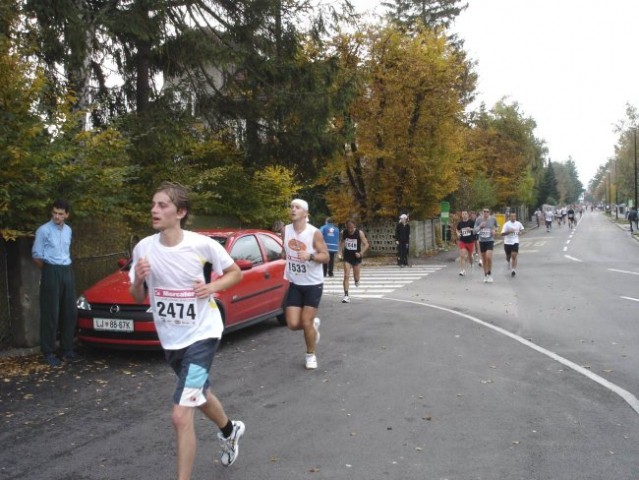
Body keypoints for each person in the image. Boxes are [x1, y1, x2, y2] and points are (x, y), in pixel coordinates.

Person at [128, 182, 245, 480]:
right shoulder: (144, 248)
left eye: (162, 205)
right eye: (153, 204)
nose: (155, 210)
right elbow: (138, 297)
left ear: (180, 212)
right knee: (199, 393)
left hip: (202, 337)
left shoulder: (202, 245)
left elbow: (235, 273)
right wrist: (138, 281)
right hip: (172, 341)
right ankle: (230, 430)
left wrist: (212, 286)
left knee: (181, 414)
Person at [281, 199, 328, 370]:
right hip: (295, 283)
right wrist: (282, 255)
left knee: (305, 321)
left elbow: (326, 256)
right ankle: (312, 326)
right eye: (291, 206)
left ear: (305, 213)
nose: (293, 209)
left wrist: (310, 256)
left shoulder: (314, 233)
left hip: (313, 284)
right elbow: (284, 250)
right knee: (293, 324)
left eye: (297, 207)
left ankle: (310, 355)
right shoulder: (285, 230)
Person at [32, 199, 80, 367]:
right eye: (54, 213)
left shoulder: (68, 230)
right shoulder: (43, 230)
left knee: (70, 311)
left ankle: (66, 349)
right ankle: (48, 351)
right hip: (51, 270)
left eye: (60, 214)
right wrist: (49, 271)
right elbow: (37, 256)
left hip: (67, 270)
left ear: (67, 214)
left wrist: (62, 269)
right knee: (51, 312)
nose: (57, 216)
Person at [339, 219, 370, 303]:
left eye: (351, 228)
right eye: (348, 227)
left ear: (354, 226)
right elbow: (341, 242)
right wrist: (340, 253)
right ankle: (346, 296)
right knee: (346, 275)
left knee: (356, 277)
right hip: (347, 257)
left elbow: (366, 244)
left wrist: (361, 253)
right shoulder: (343, 232)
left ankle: (357, 281)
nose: (350, 230)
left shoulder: (359, 233)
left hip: (356, 258)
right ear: (346, 226)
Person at [474, 208, 499, 283]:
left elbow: (497, 226)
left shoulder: (493, 219)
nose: (486, 213)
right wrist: (480, 227)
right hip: (482, 241)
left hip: (490, 240)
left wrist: (495, 230)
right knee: (484, 259)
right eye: (484, 211)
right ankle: (485, 275)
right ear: (482, 212)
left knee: (489, 257)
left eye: (487, 212)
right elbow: (474, 230)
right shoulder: (478, 220)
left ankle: (490, 273)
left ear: (489, 213)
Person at [500, 211, 524, 277]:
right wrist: (508, 232)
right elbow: (502, 234)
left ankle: (513, 270)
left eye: (514, 216)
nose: (513, 217)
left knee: (514, 255)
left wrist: (520, 232)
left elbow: (521, 230)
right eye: (512, 216)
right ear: (509, 217)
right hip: (507, 242)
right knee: (508, 257)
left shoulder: (518, 223)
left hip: (515, 241)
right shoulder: (506, 224)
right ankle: (508, 261)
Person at [455, 210, 475, 276]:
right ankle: (462, 270)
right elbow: (457, 229)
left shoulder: (471, 222)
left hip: (470, 241)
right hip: (462, 241)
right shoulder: (460, 223)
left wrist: (471, 229)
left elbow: (476, 229)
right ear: (461, 215)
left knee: (470, 256)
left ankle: (471, 262)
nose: (464, 215)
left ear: (467, 215)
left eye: (465, 214)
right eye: (463, 214)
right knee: (462, 255)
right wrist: (458, 233)